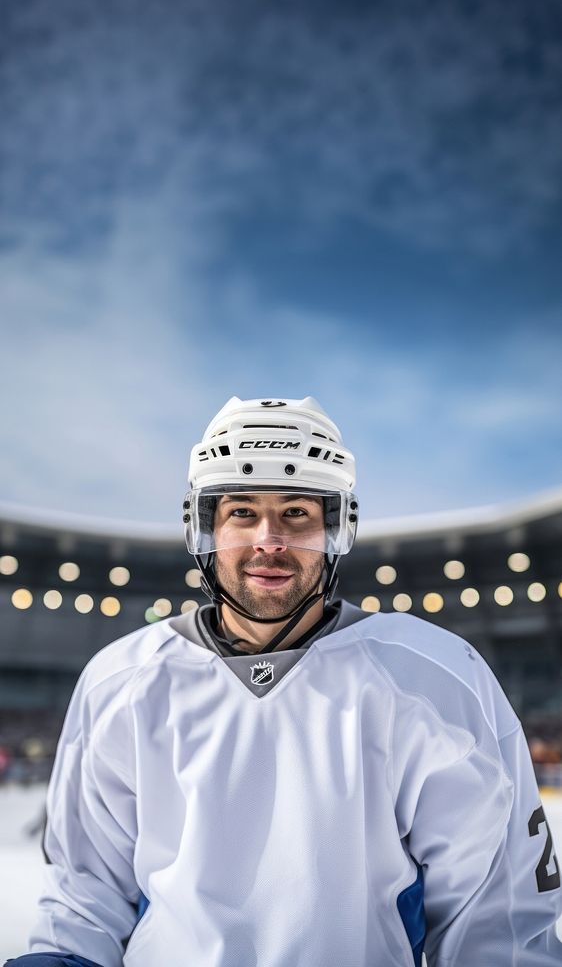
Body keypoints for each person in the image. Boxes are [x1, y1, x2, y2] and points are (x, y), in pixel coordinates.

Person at [5, 396, 562, 967]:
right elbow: (84, 902)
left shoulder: (436, 677)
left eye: (296, 512)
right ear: (205, 527)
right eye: (242, 512)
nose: (269, 540)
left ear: (335, 527)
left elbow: (499, 924)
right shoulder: (120, 682)